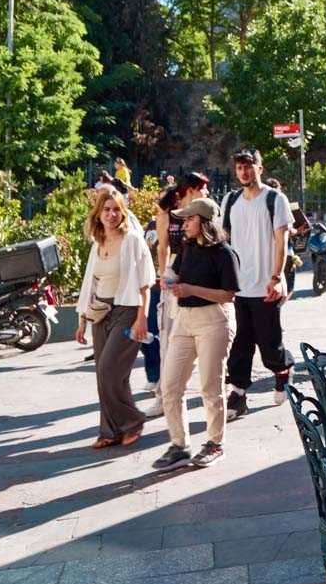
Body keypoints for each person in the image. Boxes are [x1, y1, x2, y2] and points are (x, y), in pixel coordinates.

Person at [154, 196, 239, 469]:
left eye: (190, 219)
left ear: (204, 222)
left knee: (210, 387)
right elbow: (177, 275)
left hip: (213, 320)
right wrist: (170, 281)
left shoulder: (224, 253)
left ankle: (215, 443)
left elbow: (228, 294)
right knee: (170, 386)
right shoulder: (188, 247)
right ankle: (180, 445)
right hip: (183, 319)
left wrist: (191, 289)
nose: (184, 224)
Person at [75, 184, 155, 451]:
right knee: (106, 374)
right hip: (100, 312)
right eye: (106, 210)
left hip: (127, 310)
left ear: (123, 213)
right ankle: (110, 431)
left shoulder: (132, 240)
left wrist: (141, 317)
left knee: (109, 369)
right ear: (98, 214)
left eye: (116, 210)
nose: (111, 215)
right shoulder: (97, 244)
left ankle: (132, 421)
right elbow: (90, 282)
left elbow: (145, 283)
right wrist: (82, 320)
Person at [220, 148, 293, 411]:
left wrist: (277, 277)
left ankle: (283, 371)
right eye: (239, 167)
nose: (244, 172)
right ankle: (238, 392)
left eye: (249, 166)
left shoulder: (275, 199)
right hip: (239, 287)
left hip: (265, 285)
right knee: (240, 342)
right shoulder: (230, 201)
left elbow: (281, 240)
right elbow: (223, 240)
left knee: (269, 343)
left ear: (260, 169)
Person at [143, 170, 209, 418]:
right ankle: (163, 395)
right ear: (191, 190)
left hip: (199, 277)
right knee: (167, 337)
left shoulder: (203, 211)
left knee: (204, 337)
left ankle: (213, 391)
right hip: (174, 276)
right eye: (202, 188)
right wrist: (163, 276)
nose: (206, 193)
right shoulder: (168, 212)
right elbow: (162, 247)